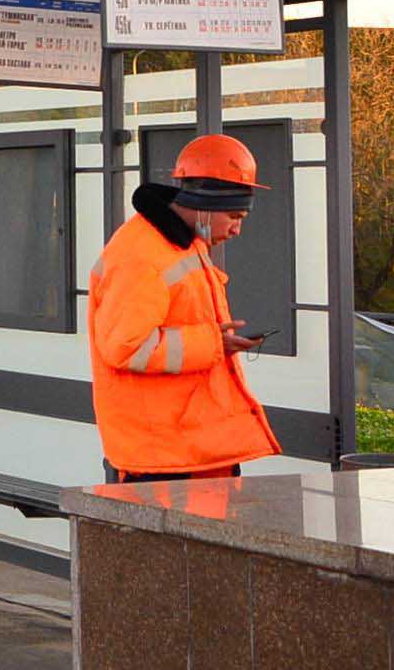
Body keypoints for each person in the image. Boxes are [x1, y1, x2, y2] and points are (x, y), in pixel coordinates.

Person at [86, 133, 280, 483]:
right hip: (166, 460)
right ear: (206, 204)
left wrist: (220, 342)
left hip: (191, 450)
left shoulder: (180, 243)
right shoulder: (141, 254)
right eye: (234, 216)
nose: (237, 229)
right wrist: (213, 343)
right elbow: (126, 347)